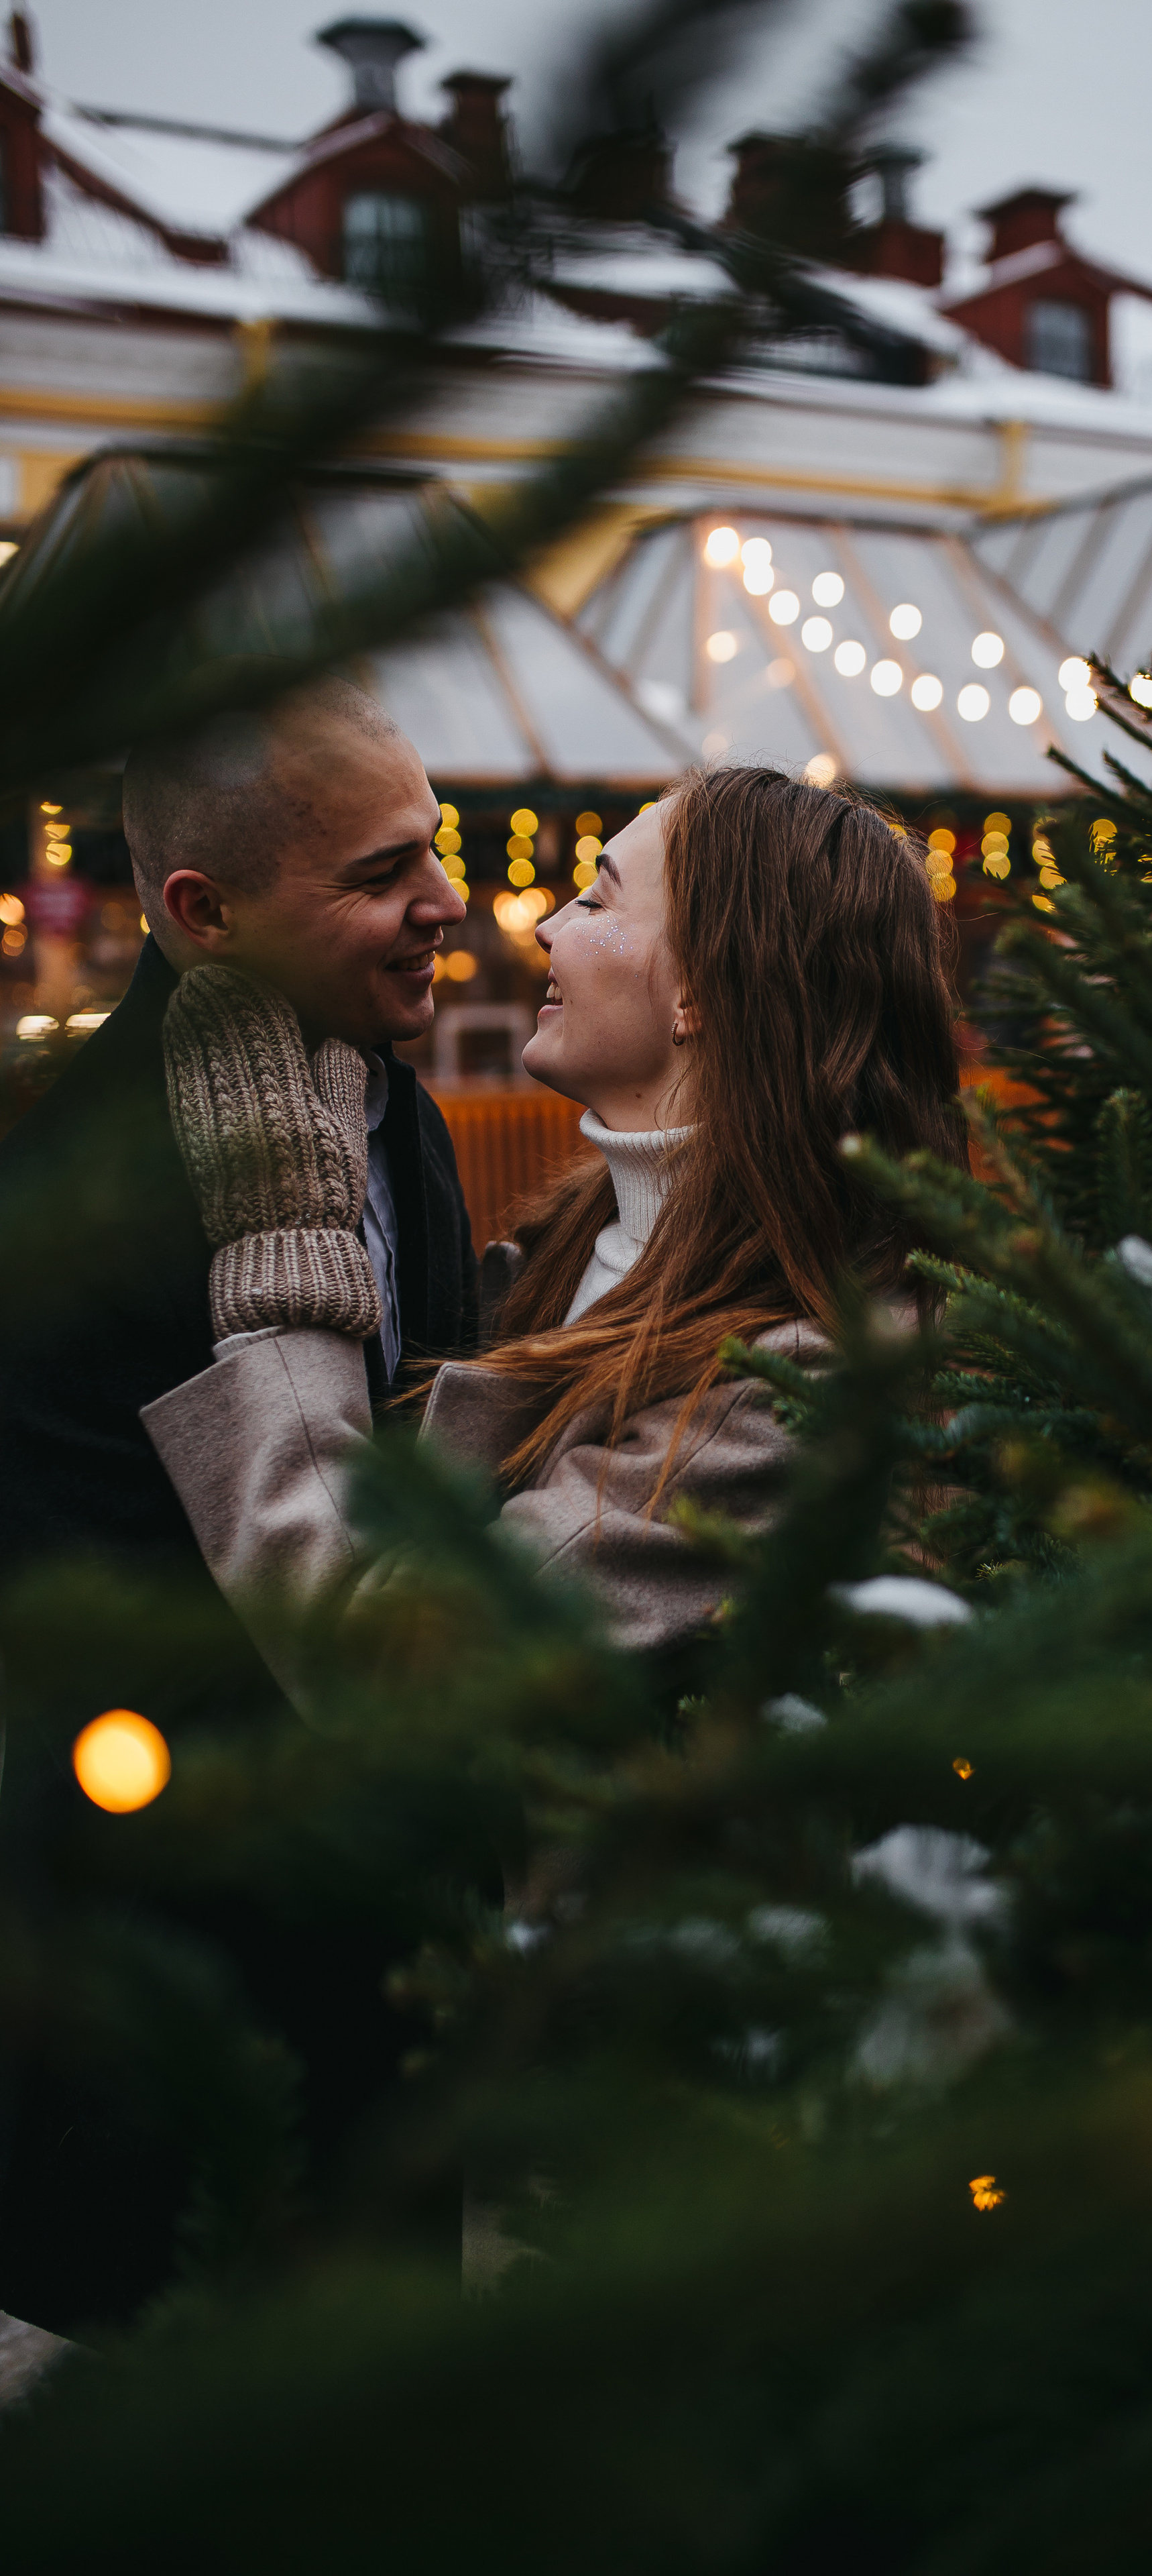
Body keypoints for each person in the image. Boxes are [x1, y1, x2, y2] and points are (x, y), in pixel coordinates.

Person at [0, 674, 476, 2334]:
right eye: (379, 873)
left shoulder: (376, 1091)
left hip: (371, 1952)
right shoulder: (88, 1191)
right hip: (175, 1977)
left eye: (439, 844)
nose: (447, 903)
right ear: (199, 912)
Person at [140, 763, 966, 1675]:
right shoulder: (580, 1242)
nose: (545, 925)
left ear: (703, 992)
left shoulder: (791, 1388)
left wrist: (285, 1246)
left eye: (595, 902)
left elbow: (391, 1663)